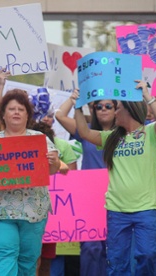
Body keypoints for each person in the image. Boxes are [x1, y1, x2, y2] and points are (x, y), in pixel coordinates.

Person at [74, 80, 156, 275]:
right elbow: (83, 132)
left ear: (129, 110)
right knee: (117, 262)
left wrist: (146, 94)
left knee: (148, 255)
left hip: (145, 208)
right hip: (117, 210)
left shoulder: (149, 133)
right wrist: (77, 105)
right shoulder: (110, 137)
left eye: (117, 108)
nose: (113, 112)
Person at [0, 89, 60, 275]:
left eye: (21, 109)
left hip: (32, 212)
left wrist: (53, 162)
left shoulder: (40, 140)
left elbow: (53, 168)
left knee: (27, 262)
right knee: (4, 256)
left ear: (28, 115)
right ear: (3, 115)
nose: (16, 112)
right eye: (11, 109)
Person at [55, 92, 116, 276]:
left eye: (108, 106)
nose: (103, 109)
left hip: (118, 196)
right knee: (91, 249)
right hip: (90, 199)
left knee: (113, 249)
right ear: (93, 110)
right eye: (99, 107)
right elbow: (60, 115)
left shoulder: (125, 133)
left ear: (116, 110)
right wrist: (75, 99)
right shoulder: (86, 131)